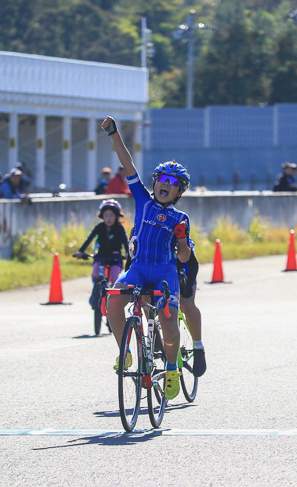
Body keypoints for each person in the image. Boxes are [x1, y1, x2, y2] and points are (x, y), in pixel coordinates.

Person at [102, 114, 191, 401]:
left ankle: (173, 368)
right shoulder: (142, 199)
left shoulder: (180, 217)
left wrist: (180, 238)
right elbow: (128, 163)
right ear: (155, 184)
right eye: (161, 179)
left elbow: (184, 255)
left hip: (165, 271)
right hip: (138, 268)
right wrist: (114, 133)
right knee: (113, 301)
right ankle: (124, 352)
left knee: (167, 319)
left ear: (178, 191)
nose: (164, 184)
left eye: (172, 182)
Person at [75, 199, 129, 308]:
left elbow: (125, 241)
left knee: (114, 279)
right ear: (102, 216)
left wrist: (129, 253)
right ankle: (95, 293)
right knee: (95, 274)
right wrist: (81, 251)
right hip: (100, 257)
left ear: (117, 216)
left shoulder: (119, 228)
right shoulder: (99, 227)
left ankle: (114, 300)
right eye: (106, 215)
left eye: (111, 215)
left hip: (115, 258)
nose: (108, 218)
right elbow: (89, 239)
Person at [177, 243, 207, 377]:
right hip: (156, 266)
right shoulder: (140, 228)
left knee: (186, 304)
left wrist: (188, 286)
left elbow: (192, 263)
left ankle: (198, 347)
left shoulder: (176, 222)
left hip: (184, 264)